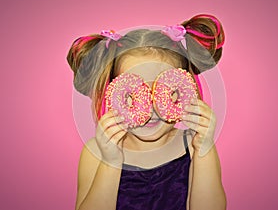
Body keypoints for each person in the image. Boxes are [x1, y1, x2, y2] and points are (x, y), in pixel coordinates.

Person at [67, 13, 226, 210]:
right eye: (133, 94)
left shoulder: (194, 145)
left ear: (185, 89)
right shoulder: (97, 152)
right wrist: (111, 163)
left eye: (165, 91)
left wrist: (204, 149)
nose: (151, 107)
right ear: (113, 94)